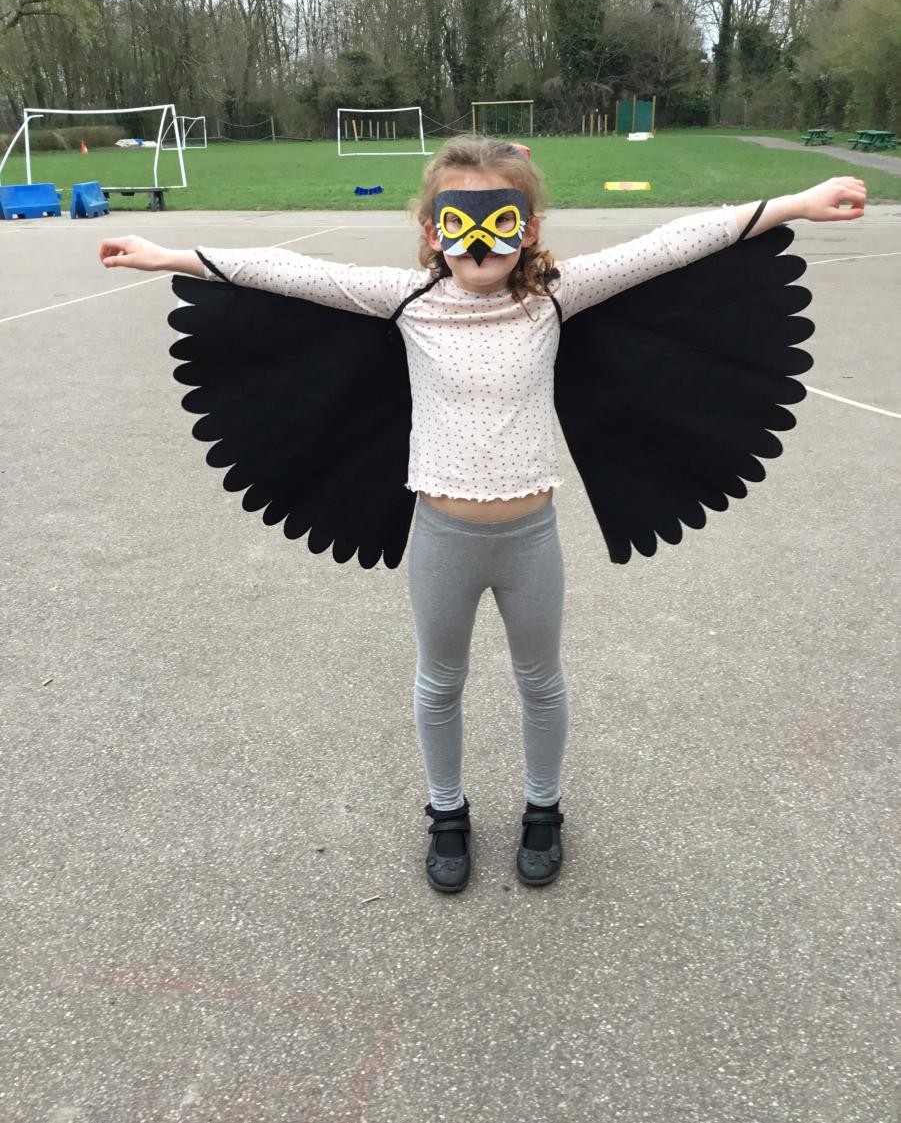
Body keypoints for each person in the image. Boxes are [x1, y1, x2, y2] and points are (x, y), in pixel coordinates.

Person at [99, 136, 866, 894]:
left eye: (498, 221)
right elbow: (293, 272)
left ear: (527, 228)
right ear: (432, 230)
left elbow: (668, 245)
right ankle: (446, 813)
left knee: (541, 680)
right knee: (439, 681)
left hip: (531, 538)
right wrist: (168, 257)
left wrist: (799, 203)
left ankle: (543, 809)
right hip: (442, 538)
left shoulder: (554, 295)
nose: (476, 243)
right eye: (455, 221)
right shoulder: (406, 300)